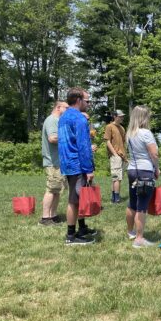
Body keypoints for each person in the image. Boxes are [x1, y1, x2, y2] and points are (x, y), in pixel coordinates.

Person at [58, 87, 97, 245]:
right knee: (74, 201)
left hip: (67, 163)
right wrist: (89, 169)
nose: (88, 104)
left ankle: (81, 229)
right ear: (79, 100)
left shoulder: (64, 117)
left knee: (80, 198)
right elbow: (83, 146)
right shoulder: (80, 119)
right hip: (77, 164)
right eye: (87, 101)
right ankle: (71, 236)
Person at [125, 105, 160, 248]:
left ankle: (130, 232)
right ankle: (139, 239)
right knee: (142, 206)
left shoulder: (129, 133)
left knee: (132, 202)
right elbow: (154, 154)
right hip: (145, 171)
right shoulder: (146, 133)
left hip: (132, 170)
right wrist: (156, 168)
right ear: (144, 117)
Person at [39, 100, 69, 225]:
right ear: (58, 107)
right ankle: (45, 218)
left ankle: (53, 215)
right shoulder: (52, 120)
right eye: (66, 108)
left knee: (57, 190)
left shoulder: (58, 121)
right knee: (51, 189)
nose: (68, 110)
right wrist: (69, 138)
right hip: (53, 162)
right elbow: (52, 138)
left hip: (59, 162)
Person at [104, 109, 127, 203]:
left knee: (117, 178)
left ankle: (114, 197)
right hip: (115, 156)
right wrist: (114, 154)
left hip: (122, 156)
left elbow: (123, 142)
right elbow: (107, 141)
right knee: (116, 177)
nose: (122, 118)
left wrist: (124, 156)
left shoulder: (122, 128)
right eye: (120, 116)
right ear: (115, 116)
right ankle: (116, 199)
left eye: (122, 116)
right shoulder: (109, 126)